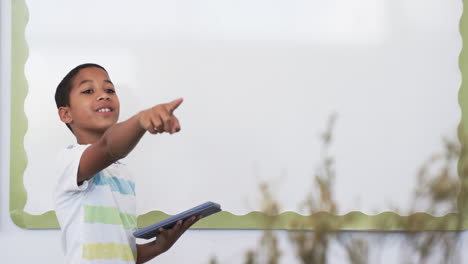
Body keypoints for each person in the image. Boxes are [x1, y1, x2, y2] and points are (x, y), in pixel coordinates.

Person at [53, 63, 198, 264]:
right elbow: (107, 147)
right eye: (88, 90)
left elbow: (123, 253)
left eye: (109, 90)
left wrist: (159, 246)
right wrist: (141, 119)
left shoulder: (123, 173)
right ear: (66, 114)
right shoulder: (69, 160)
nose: (104, 95)